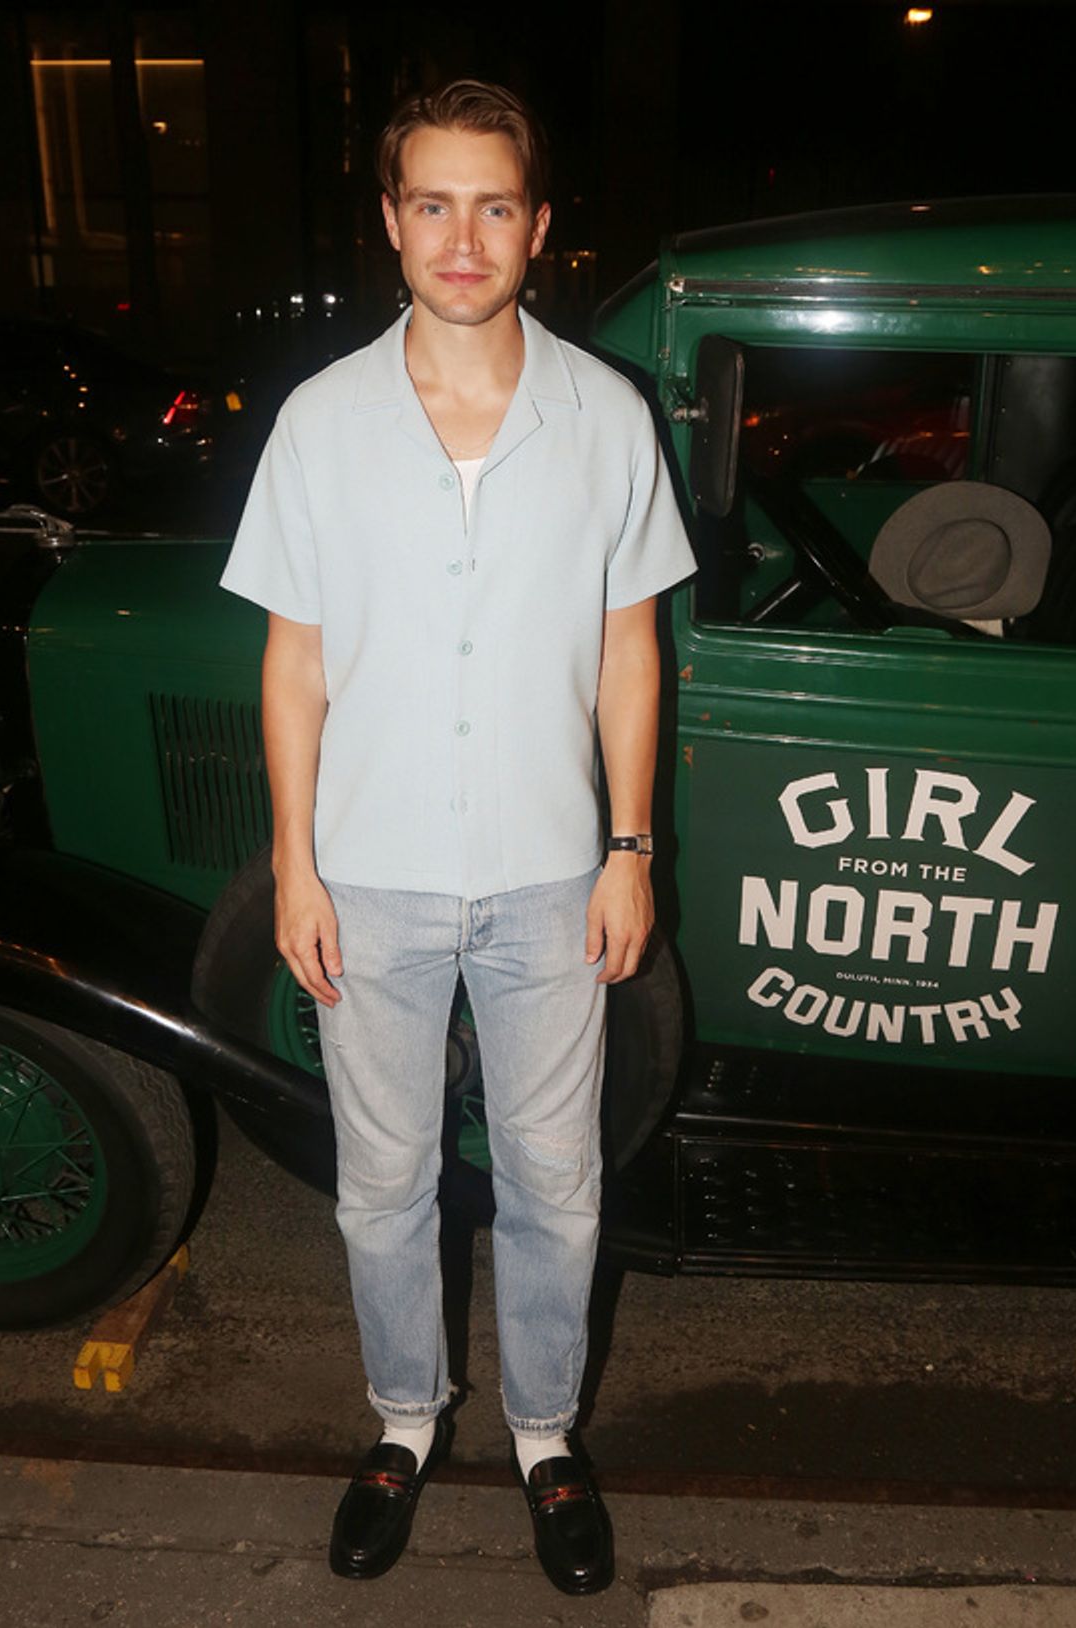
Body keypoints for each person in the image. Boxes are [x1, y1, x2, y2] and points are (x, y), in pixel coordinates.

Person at [220, 78, 695, 1596]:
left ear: (538, 227)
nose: (464, 237)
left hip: (554, 872)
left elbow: (632, 651)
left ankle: (547, 1435)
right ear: (392, 221)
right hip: (370, 872)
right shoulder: (321, 423)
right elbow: (294, 662)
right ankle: (405, 1420)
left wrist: (631, 849)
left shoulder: (605, 417)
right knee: (383, 1183)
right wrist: (295, 865)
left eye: (494, 205)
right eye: (434, 203)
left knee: (559, 1181)